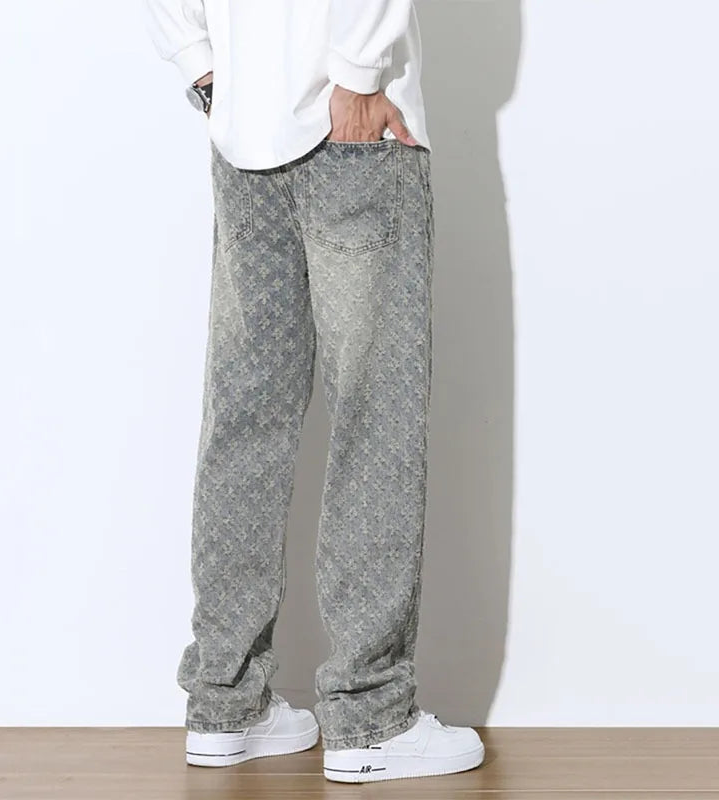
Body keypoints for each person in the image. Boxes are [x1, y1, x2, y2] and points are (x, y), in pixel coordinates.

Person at [144, 0, 485, 784]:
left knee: (245, 417)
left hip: (244, 128)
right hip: (349, 125)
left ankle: (226, 701)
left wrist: (205, 69)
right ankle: (370, 715)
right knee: (375, 414)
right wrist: (360, 76)